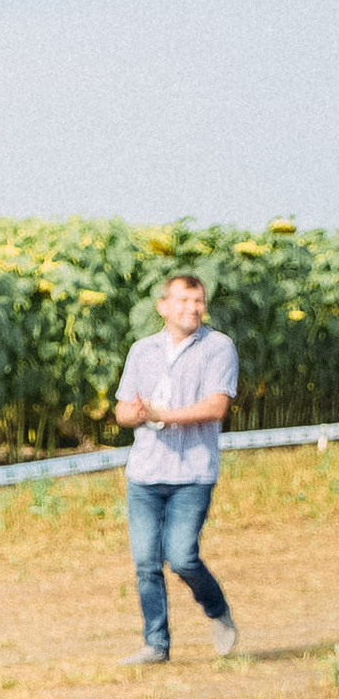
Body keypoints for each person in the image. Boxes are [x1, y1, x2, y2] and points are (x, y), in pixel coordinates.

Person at [114, 272, 240, 664]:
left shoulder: (219, 348)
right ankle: (156, 644)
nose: (193, 308)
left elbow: (217, 407)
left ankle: (217, 609)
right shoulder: (142, 351)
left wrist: (162, 415)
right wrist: (136, 414)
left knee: (183, 556)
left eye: (198, 301)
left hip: (193, 473)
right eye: (184, 300)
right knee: (146, 564)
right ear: (163, 307)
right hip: (145, 473)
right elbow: (121, 411)